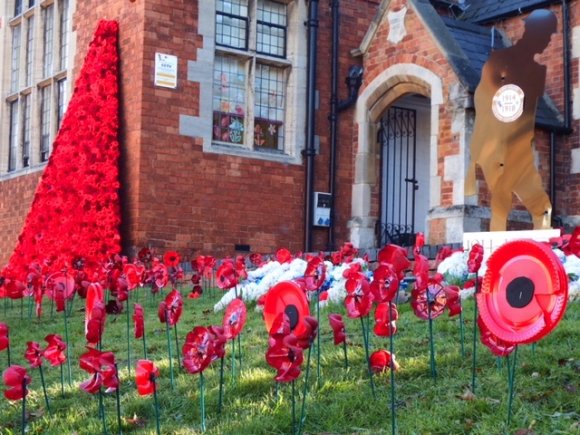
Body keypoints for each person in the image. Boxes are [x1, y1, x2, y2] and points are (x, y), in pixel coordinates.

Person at [466, 9, 557, 231]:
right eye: (545, 34)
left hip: (521, 150)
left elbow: (526, 114)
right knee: (501, 198)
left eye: (549, 36)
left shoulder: (537, 71)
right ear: (532, 32)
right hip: (495, 146)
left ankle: (541, 257)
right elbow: (484, 99)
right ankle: (494, 257)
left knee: (543, 207)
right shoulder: (500, 61)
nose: (547, 41)